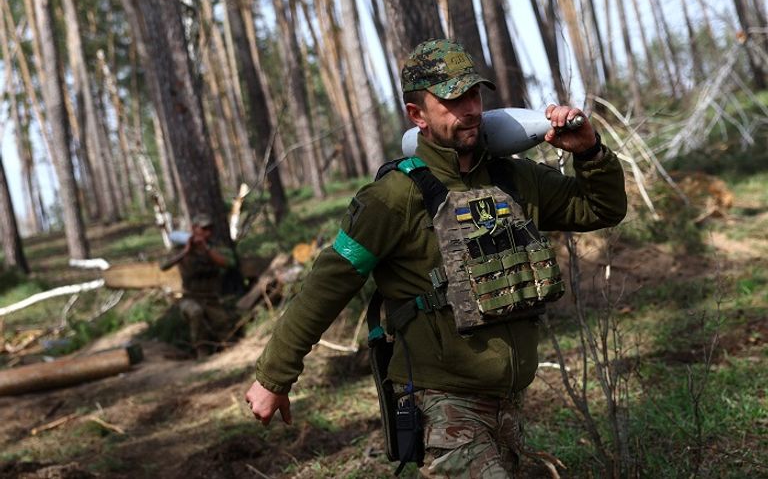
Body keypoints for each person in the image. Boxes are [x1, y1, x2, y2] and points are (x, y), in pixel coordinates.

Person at [245, 39, 627, 476]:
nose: (469, 109)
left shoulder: (514, 178)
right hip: (442, 400)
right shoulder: (393, 197)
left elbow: (601, 209)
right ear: (418, 115)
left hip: (508, 398)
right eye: (451, 99)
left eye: (473, 95)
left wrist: (590, 152)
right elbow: (327, 284)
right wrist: (274, 377)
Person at [161, 212, 237, 358]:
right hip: (190, 297)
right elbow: (163, 265)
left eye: (209, 229)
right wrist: (185, 252)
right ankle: (201, 349)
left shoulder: (215, 247)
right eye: (203, 229)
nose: (207, 232)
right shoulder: (181, 248)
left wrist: (207, 250)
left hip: (211, 298)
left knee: (223, 324)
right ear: (194, 228)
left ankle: (227, 349)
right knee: (195, 312)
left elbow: (229, 263)